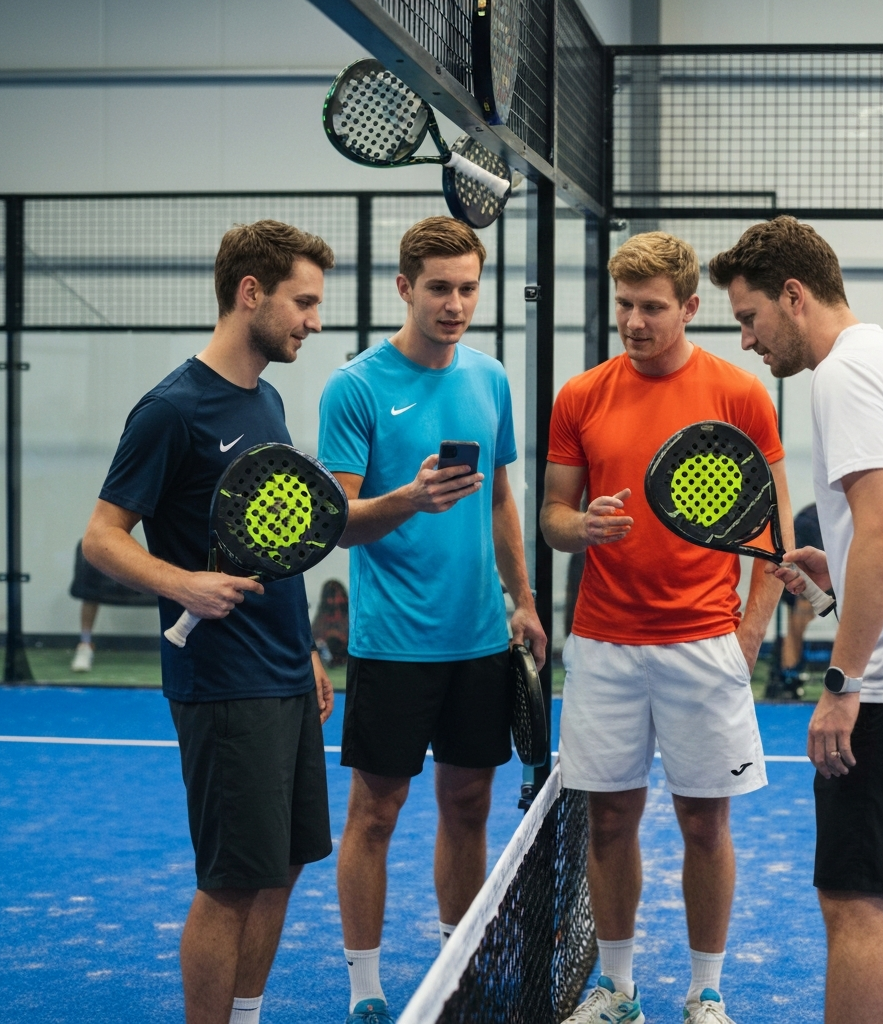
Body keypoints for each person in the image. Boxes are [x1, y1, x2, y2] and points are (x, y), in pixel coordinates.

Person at [710, 215, 883, 1024]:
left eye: (750, 318)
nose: (749, 340)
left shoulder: (841, 376)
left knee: (854, 895)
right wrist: (841, 565)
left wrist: (842, 683)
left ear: (794, 297)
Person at [81, 220, 337, 1024]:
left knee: (285, 863)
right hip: (223, 684)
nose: (314, 321)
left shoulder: (264, 398)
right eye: (303, 302)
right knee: (229, 883)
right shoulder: (170, 410)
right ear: (250, 293)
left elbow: (276, 542)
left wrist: (305, 650)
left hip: (283, 668)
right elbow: (101, 535)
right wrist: (183, 583)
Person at [541, 231, 793, 1024]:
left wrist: (750, 632)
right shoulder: (581, 396)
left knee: (704, 822)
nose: (635, 322)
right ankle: (617, 988)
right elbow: (551, 516)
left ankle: (705, 992)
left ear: (689, 308)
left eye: (652, 307)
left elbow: (774, 529)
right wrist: (581, 528)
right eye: (624, 305)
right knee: (610, 819)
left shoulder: (740, 394)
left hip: (703, 645)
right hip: (606, 644)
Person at [317, 216, 546, 1024]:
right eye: (440, 288)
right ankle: (365, 989)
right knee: (375, 814)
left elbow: (504, 501)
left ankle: (459, 963)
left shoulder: (490, 379)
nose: (455, 304)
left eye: (468, 288)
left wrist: (523, 598)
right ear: (405, 288)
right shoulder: (355, 387)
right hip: (393, 644)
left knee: (469, 807)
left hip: (482, 639)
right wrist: (407, 499)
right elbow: (337, 520)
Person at [68, 538, 154, 672]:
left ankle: (179, 646)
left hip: (148, 573)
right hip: (109, 572)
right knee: (89, 582)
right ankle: (85, 644)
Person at [765, 503, 822, 699]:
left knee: (801, 616)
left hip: (811, 556)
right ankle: (789, 675)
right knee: (801, 615)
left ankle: (789, 674)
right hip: (801, 561)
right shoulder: (811, 521)